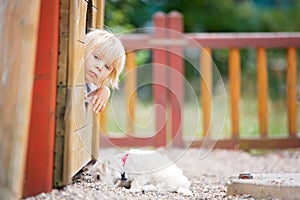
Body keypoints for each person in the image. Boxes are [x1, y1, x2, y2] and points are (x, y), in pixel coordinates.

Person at [84, 29, 126, 113]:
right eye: (96, 57)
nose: (100, 67)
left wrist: (105, 90)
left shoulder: (90, 87)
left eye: (107, 67)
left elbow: (89, 98)